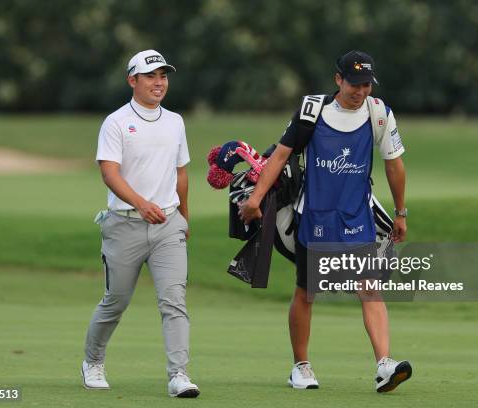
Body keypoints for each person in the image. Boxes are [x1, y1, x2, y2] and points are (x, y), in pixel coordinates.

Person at [239, 50, 412, 392]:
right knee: (307, 292)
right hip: (315, 216)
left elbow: (394, 164)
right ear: (338, 80)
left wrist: (401, 212)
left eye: (366, 84)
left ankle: (384, 365)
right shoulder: (313, 111)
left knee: (369, 288)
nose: (361, 91)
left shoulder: (379, 113)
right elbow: (281, 155)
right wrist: (256, 198)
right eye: (354, 84)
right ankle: (301, 367)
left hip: (357, 217)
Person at [81, 49, 200, 398]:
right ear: (133, 80)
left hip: (168, 225)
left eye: (163, 76)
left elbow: (181, 173)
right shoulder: (116, 122)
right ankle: (93, 361)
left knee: (174, 300)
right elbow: (109, 172)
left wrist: (184, 216)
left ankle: (179, 374)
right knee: (115, 301)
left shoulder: (175, 121)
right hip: (124, 224)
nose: (159, 82)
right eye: (150, 76)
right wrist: (140, 203)